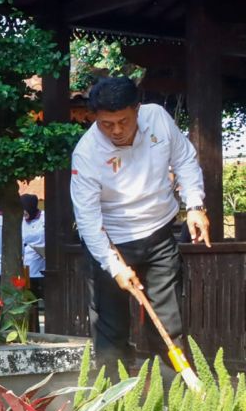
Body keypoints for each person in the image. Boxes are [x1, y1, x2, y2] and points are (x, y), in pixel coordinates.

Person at [70, 76, 210, 370]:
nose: (117, 130)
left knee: (168, 322)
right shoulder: (86, 154)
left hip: (159, 235)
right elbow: (88, 220)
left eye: (124, 121)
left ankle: (179, 394)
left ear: (138, 109)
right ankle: (114, 402)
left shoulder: (157, 118)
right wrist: (116, 266)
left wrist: (195, 205)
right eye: (107, 124)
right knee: (111, 327)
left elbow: (184, 160)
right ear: (95, 117)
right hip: (111, 243)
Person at [20, 194, 45, 298]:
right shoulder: (21, 221)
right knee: (29, 297)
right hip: (27, 264)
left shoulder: (44, 218)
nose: (23, 212)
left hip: (43, 261)